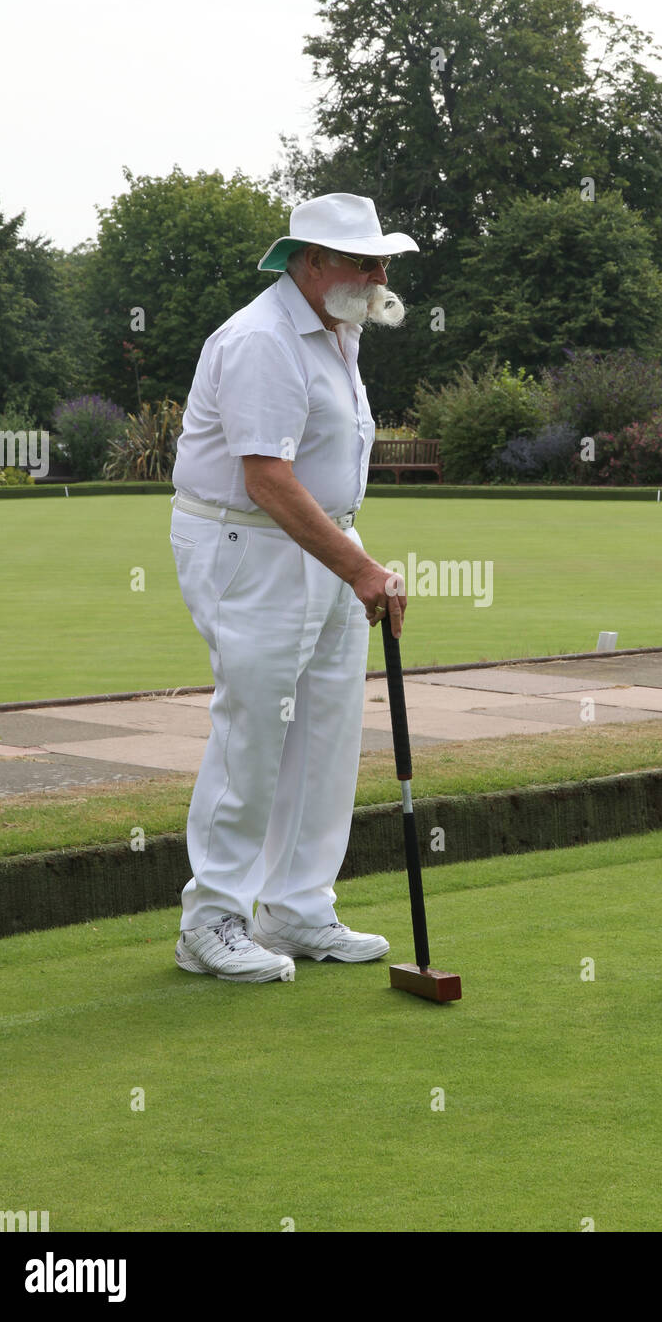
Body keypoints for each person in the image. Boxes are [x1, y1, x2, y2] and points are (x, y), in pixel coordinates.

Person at [168, 193, 416, 982]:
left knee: (328, 727)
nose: (379, 275)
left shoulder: (337, 329)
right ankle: (211, 922)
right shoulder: (261, 340)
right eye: (364, 261)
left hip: (326, 542)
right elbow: (268, 479)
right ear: (311, 262)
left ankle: (298, 909)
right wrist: (360, 568)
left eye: (383, 262)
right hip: (251, 546)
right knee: (255, 729)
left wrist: (352, 560)